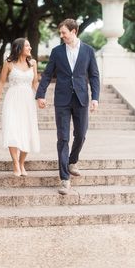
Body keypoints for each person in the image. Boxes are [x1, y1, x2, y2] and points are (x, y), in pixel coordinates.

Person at [36, 19, 100, 195]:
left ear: (74, 31)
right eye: (60, 33)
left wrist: (95, 98)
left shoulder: (88, 51)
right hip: (62, 100)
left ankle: (72, 161)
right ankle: (65, 178)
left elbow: (94, 76)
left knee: (81, 134)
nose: (61, 35)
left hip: (81, 99)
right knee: (63, 139)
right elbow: (48, 74)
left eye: (64, 32)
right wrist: (40, 94)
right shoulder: (57, 52)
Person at [0, 38, 40, 176]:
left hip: (28, 100)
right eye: (27, 46)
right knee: (12, 129)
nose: (30, 48)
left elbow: (35, 83)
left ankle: (22, 162)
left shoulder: (33, 63)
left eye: (30, 45)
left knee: (28, 130)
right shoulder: (8, 63)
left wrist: (40, 98)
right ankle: (15, 163)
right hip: (12, 99)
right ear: (19, 48)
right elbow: (1, 83)